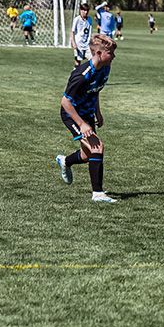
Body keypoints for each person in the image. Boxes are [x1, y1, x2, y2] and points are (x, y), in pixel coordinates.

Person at [54, 33, 118, 203]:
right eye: (110, 53)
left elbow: (95, 90)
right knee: (98, 147)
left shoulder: (105, 67)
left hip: (87, 114)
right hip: (72, 114)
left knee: (87, 154)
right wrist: (82, 124)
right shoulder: (82, 75)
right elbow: (65, 102)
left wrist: (97, 112)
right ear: (98, 54)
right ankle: (97, 193)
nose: (114, 56)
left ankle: (65, 161)